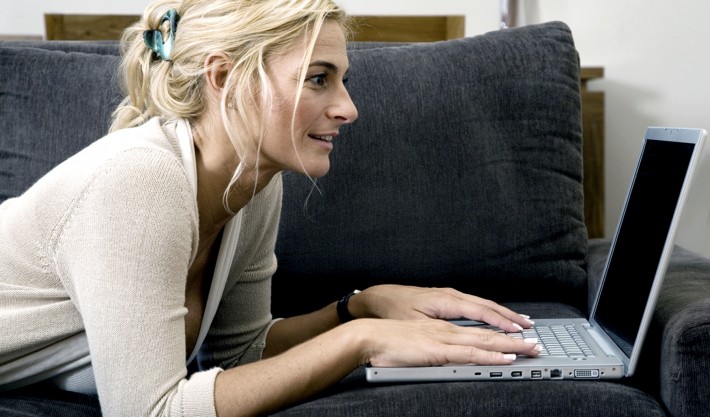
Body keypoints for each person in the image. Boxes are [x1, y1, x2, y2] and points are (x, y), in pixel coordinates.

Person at [0, 0, 541, 415]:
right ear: (223, 78)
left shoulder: (252, 180)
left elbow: (240, 357)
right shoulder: (139, 180)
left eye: (342, 80)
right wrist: (359, 341)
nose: (348, 108)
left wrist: (356, 308)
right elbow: (151, 410)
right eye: (317, 79)